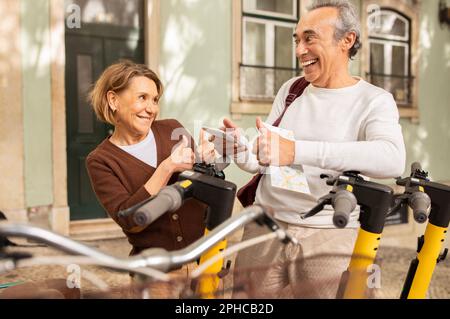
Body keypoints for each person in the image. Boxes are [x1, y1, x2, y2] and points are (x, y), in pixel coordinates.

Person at [201, 0, 406, 298]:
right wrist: (240, 149)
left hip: (330, 235)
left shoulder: (374, 100)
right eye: (297, 40)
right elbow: (267, 159)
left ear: (346, 41)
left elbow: (392, 159)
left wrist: (296, 151)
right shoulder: (292, 89)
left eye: (310, 38)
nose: (299, 50)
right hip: (266, 224)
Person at [85, 60, 207, 296]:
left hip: (205, 264)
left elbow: (202, 187)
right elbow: (130, 219)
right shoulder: (101, 161)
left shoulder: (172, 129)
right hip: (155, 277)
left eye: (155, 100)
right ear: (113, 100)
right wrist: (167, 167)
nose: (151, 108)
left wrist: (206, 160)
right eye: (142, 97)